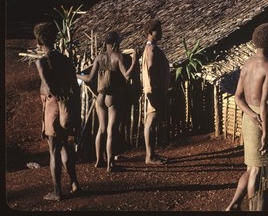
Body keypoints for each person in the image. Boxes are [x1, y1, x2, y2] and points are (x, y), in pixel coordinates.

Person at [225, 23, 268, 211]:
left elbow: (237, 98)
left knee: (253, 168)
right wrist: (265, 129)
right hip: (261, 120)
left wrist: (251, 115)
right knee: (257, 170)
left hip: (248, 119)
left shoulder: (247, 64)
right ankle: (254, 208)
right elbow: (265, 103)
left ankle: (236, 205)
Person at [77, 31, 137, 172]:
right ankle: (111, 165)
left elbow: (90, 78)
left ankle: (99, 160)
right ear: (116, 43)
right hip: (113, 97)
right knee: (111, 130)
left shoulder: (99, 57)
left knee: (101, 129)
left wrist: (77, 74)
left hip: (100, 97)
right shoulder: (118, 57)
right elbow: (127, 75)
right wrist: (134, 61)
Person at [34, 22, 81, 200]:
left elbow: (48, 86)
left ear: (39, 40)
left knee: (54, 150)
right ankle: (75, 183)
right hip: (66, 108)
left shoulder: (42, 62)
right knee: (66, 147)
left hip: (53, 107)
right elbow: (74, 87)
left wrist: (49, 92)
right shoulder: (65, 60)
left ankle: (57, 191)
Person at [141, 19, 170, 165]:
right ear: (150, 32)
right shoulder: (151, 50)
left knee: (151, 121)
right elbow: (151, 71)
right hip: (154, 91)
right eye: (158, 30)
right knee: (151, 121)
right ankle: (149, 156)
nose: (161, 32)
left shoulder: (151, 49)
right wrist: (154, 91)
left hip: (154, 90)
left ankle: (151, 153)